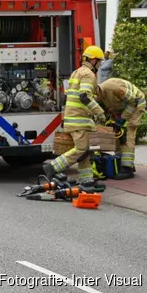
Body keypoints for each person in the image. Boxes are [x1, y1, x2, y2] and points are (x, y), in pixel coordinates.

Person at [43, 46, 106, 191]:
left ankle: (87, 181)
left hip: (71, 118)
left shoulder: (76, 73)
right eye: (100, 62)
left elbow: (69, 96)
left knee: (85, 153)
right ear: (94, 60)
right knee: (82, 149)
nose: (100, 65)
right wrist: (99, 112)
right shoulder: (88, 74)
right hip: (80, 119)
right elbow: (84, 96)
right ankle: (53, 167)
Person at [97, 78, 146, 179]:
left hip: (136, 105)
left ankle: (127, 168)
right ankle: (121, 162)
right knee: (118, 134)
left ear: (97, 92)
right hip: (124, 108)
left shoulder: (114, 88)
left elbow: (134, 101)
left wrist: (122, 119)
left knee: (127, 134)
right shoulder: (102, 95)